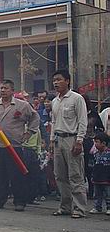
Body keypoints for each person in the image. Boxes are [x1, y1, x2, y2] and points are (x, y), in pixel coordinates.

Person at [0, 79, 40, 212]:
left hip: (14, 146)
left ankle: (19, 201)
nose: (3, 90)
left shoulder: (22, 105)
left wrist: (29, 132)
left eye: (6, 88)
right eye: (1, 88)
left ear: (12, 90)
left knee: (17, 175)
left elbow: (35, 117)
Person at [50, 69, 88, 218]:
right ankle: (65, 206)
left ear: (67, 81)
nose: (56, 82)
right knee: (60, 175)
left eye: (59, 79)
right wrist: (52, 140)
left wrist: (79, 141)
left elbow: (82, 120)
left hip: (72, 139)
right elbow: (53, 122)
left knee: (75, 175)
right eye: (54, 80)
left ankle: (79, 208)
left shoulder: (76, 98)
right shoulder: (55, 101)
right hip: (58, 140)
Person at [89, 132, 110, 215]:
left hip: (107, 178)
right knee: (97, 194)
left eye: (97, 142)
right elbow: (92, 165)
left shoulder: (108, 153)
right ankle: (97, 207)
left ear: (103, 143)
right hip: (97, 178)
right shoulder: (95, 154)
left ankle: (109, 207)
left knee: (108, 194)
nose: (95, 144)